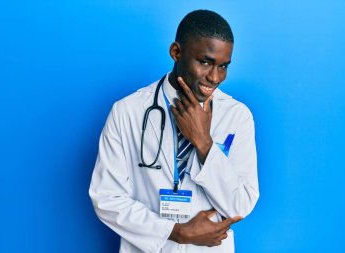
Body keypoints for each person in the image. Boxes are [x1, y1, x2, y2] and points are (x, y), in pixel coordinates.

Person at [89, 9, 259, 253]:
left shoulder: (237, 116)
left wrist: (204, 143)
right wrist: (174, 232)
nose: (214, 77)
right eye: (205, 62)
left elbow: (240, 205)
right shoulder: (128, 112)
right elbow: (106, 197)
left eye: (223, 66)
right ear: (176, 52)